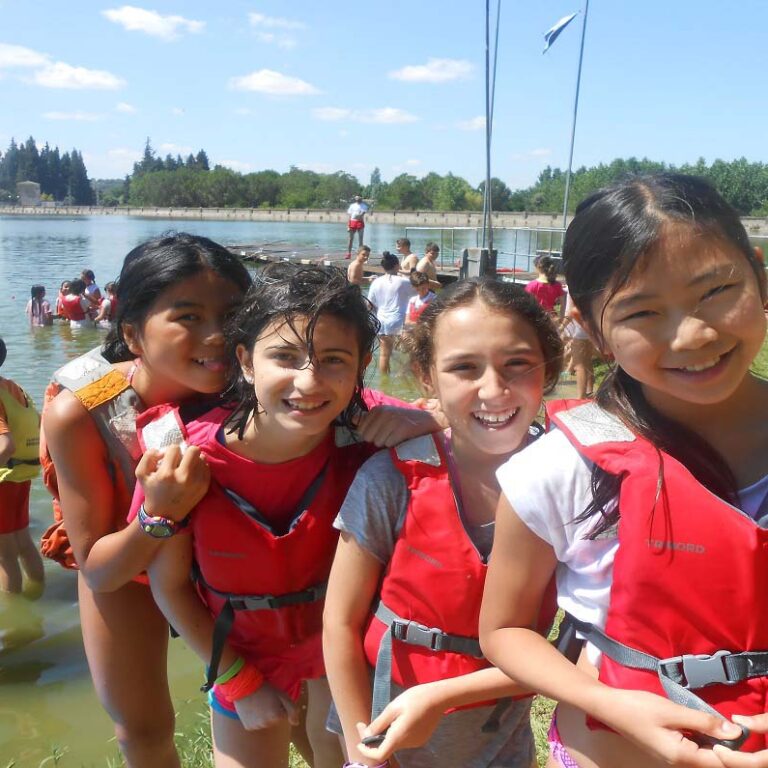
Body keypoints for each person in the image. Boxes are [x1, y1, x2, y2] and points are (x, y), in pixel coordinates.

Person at [479, 173, 768, 767]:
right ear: (592, 331)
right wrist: (606, 702)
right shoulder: (558, 469)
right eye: (641, 312)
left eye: (716, 290)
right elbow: (505, 630)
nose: (693, 334)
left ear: (759, 273)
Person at [133, 264, 442, 768]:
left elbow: (468, 420)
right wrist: (238, 679)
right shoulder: (184, 460)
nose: (309, 381)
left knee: (339, 751)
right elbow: (169, 587)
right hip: (242, 649)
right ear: (245, 362)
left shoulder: (367, 431)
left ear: (362, 364)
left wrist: (429, 419)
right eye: (284, 356)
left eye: (333, 360)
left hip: (337, 648)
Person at [323, 278, 563, 767]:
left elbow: (580, 647)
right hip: (382, 724)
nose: (494, 389)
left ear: (550, 366)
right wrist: (360, 751)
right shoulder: (389, 480)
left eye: (517, 364)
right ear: (426, 376)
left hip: (500, 736)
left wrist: (444, 696)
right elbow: (339, 623)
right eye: (463, 368)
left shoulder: (575, 483)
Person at [40, 233, 254, 768]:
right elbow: (98, 571)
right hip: (125, 559)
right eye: (187, 316)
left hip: (223, 559)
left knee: (282, 698)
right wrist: (160, 513)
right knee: (144, 729)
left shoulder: (254, 388)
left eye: (231, 315)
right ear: (133, 333)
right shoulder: (80, 412)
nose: (216, 336)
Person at [0, 338, 45, 596]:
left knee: (4, 555)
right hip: (23, 476)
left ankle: (16, 621)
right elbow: (38, 424)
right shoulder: (14, 387)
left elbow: (6, 446)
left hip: (4, 478)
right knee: (23, 542)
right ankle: (38, 592)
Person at [367, 252, 414, 375]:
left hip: (382, 321)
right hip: (399, 320)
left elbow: (370, 305)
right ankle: (402, 375)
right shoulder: (403, 281)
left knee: (384, 354)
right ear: (397, 265)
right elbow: (418, 294)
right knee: (412, 351)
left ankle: (384, 382)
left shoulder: (376, 282)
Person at [563, 292, 596, 399]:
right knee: (587, 361)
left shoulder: (574, 286)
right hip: (591, 328)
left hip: (580, 331)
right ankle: (590, 391)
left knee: (579, 366)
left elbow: (571, 311)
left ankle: (580, 397)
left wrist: (561, 326)